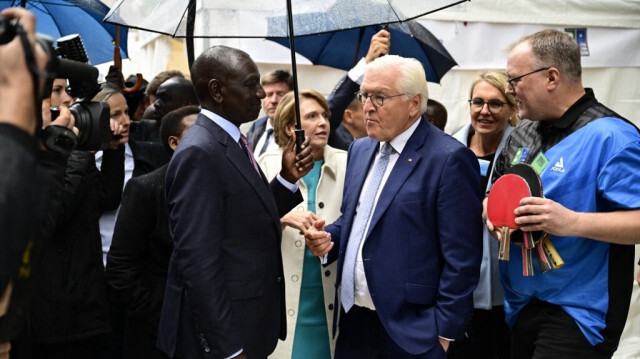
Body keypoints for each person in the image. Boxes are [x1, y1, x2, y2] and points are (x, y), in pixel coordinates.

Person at [304, 55, 483, 359]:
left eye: (380, 97)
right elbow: (357, 219)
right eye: (364, 95)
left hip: (412, 331)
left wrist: (442, 334)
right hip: (353, 322)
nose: (368, 106)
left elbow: (463, 258)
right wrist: (329, 238)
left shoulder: (449, 158)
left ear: (414, 104)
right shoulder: (360, 149)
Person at [486, 29, 640, 358]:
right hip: (521, 304)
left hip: (579, 313)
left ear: (552, 77)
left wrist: (570, 222)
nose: (510, 91)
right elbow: (493, 193)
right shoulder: (521, 133)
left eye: (514, 80)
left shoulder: (613, 137)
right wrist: (492, 215)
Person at [157, 45, 315, 359]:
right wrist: (229, 349)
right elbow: (198, 263)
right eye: (250, 84)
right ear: (217, 90)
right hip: (223, 338)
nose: (260, 93)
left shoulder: (228, 140)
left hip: (250, 323)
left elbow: (243, 216)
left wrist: (285, 178)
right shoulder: (200, 152)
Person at [258, 90, 347, 359]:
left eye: (325, 115)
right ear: (289, 127)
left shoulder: (349, 163)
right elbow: (249, 229)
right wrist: (283, 218)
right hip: (281, 309)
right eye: (312, 116)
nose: (323, 122)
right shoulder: (267, 165)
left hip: (332, 307)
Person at [106, 105, 198, 359]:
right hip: (156, 332)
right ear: (174, 142)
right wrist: (160, 311)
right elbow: (120, 268)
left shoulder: (224, 186)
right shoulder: (146, 189)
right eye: (197, 132)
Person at [449, 70, 519, 359]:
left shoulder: (524, 150)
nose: (484, 111)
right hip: (457, 287)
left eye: (495, 103)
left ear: (512, 109)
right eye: (478, 102)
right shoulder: (449, 149)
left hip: (510, 287)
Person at [327, 29, 390, 150]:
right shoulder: (334, 139)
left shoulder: (380, 144)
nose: (374, 109)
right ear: (349, 116)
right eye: (365, 103)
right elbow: (331, 110)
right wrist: (367, 61)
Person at [246, 69, 293, 156]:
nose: (273, 100)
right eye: (269, 94)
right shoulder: (255, 128)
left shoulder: (299, 130)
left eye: (280, 94)